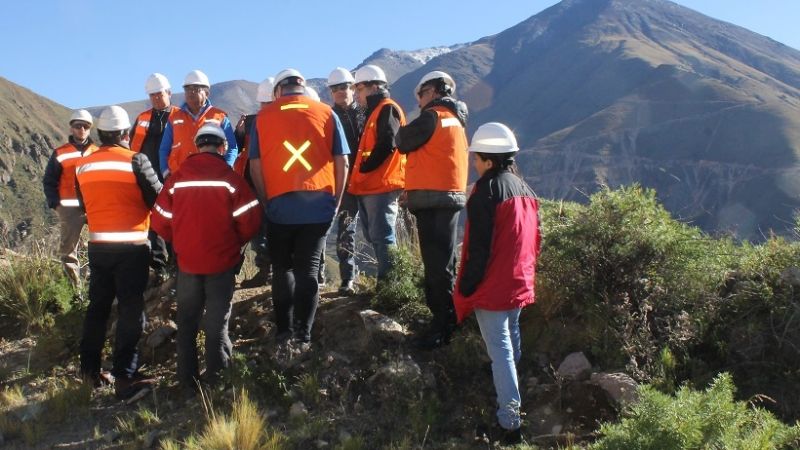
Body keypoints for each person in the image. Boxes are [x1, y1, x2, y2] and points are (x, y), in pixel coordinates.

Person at [151, 124, 261, 395]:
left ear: (197, 146)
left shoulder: (176, 179)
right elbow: (251, 220)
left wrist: (179, 241)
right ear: (222, 148)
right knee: (216, 323)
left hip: (188, 263)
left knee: (187, 322)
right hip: (221, 265)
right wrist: (235, 243)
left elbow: (159, 220)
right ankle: (217, 381)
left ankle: (187, 383)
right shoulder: (230, 178)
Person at [452, 123, 541, 446]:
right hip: (519, 279)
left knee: (500, 349)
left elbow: (478, 246)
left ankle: (510, 423)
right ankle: (510, 397)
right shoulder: (524, 189)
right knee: (511, 340)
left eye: (476, 158)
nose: (474, 163)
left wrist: (467, 287)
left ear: (488, 161)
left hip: (493, 284)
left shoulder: (485, 192)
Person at [249, 68, 350, 344]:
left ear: (278, 91)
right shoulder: (327, 113)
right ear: (302, 88)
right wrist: (337, 199)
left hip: (280, 206)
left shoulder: (263, 117)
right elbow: (343, 161)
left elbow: (255, 165)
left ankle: (283, 331)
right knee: (308, 270)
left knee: (283, 269)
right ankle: (303, 334)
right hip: (319, 204)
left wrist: (266, 198)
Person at [75, 105, 162, 399]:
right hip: (132, 248)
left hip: (98, 247)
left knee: (97, 309)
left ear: (100, 134)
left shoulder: (84, 165)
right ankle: (125, 376)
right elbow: (159, 200)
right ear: (126, 134)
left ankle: (89, 371)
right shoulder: (136, 160)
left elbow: (84, 205)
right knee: (130, 310)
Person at [397, 71, 469, 349]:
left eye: (420, 94)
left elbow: (402, 141)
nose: (419, 101)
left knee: (437, 268)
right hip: (448, 196)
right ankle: (449, 320)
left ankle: (443, 326)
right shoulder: (456, 120)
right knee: (445, 265)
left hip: (433, 199)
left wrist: (394, 127)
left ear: (432, 91)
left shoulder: (433, 117)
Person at [347, 64, 405, 282]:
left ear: (371, 87)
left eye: (359, 90)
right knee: (377, 236)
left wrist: (366, 167)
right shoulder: (376, 111)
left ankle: (391, 284)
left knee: (383, 236)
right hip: (373, 184)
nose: (356, 96)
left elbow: (387, 143)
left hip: (382, 184)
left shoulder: (386, 108)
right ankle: (389, 282)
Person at [129, 73, 179, 281]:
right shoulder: (142, 118)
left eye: (160, 94)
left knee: (173, 219)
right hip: (147, 177)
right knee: (151, 221)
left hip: (171, 176)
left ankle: (176, 263)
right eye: (153, 95)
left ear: (169, 93)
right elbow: (131, 147)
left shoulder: (180, 116)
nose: (157, 98)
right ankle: (158, 265)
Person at [43, 109, 98, 291]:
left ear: (90, 129)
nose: (81, 129)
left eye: (85, 126)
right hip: (69, 210)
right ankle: (75, 291)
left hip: (94, 208)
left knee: (100, 247)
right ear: (71, 128)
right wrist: (56, 205)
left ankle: (96, 287)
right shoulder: (60, 152)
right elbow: (49, 181)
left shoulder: (97, 152)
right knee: (68, 251)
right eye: (77, 126)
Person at [325, 67, 364, 295]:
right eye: (335, 88)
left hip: (370, 181)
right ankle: (347, 279)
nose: (340, 92)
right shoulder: (328, 118)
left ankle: (386, 281)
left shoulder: (367, 114)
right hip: (344, 183)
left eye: (344, 87)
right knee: (345, 231)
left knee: (376, 232)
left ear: (352, 88)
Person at [158, 70, 238, 178]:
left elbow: (232, 147)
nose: (191, 92)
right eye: (187, 89)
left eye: (196, 89)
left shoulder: (220, 116)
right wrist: (166, 173)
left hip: (211, 176)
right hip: (180, 177)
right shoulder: (174, 118)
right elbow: (164, 149)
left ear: (207, 93)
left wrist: (225, 168)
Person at [236, 77, 275, 289]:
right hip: (252, 184)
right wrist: (240, 133)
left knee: (271, 228)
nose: (264, 108)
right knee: (258, 229)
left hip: (274, 184)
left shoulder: (281, 121)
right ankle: (265, 270)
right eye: (263, 104)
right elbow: (241, 150)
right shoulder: (253, 122)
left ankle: (272, 271)